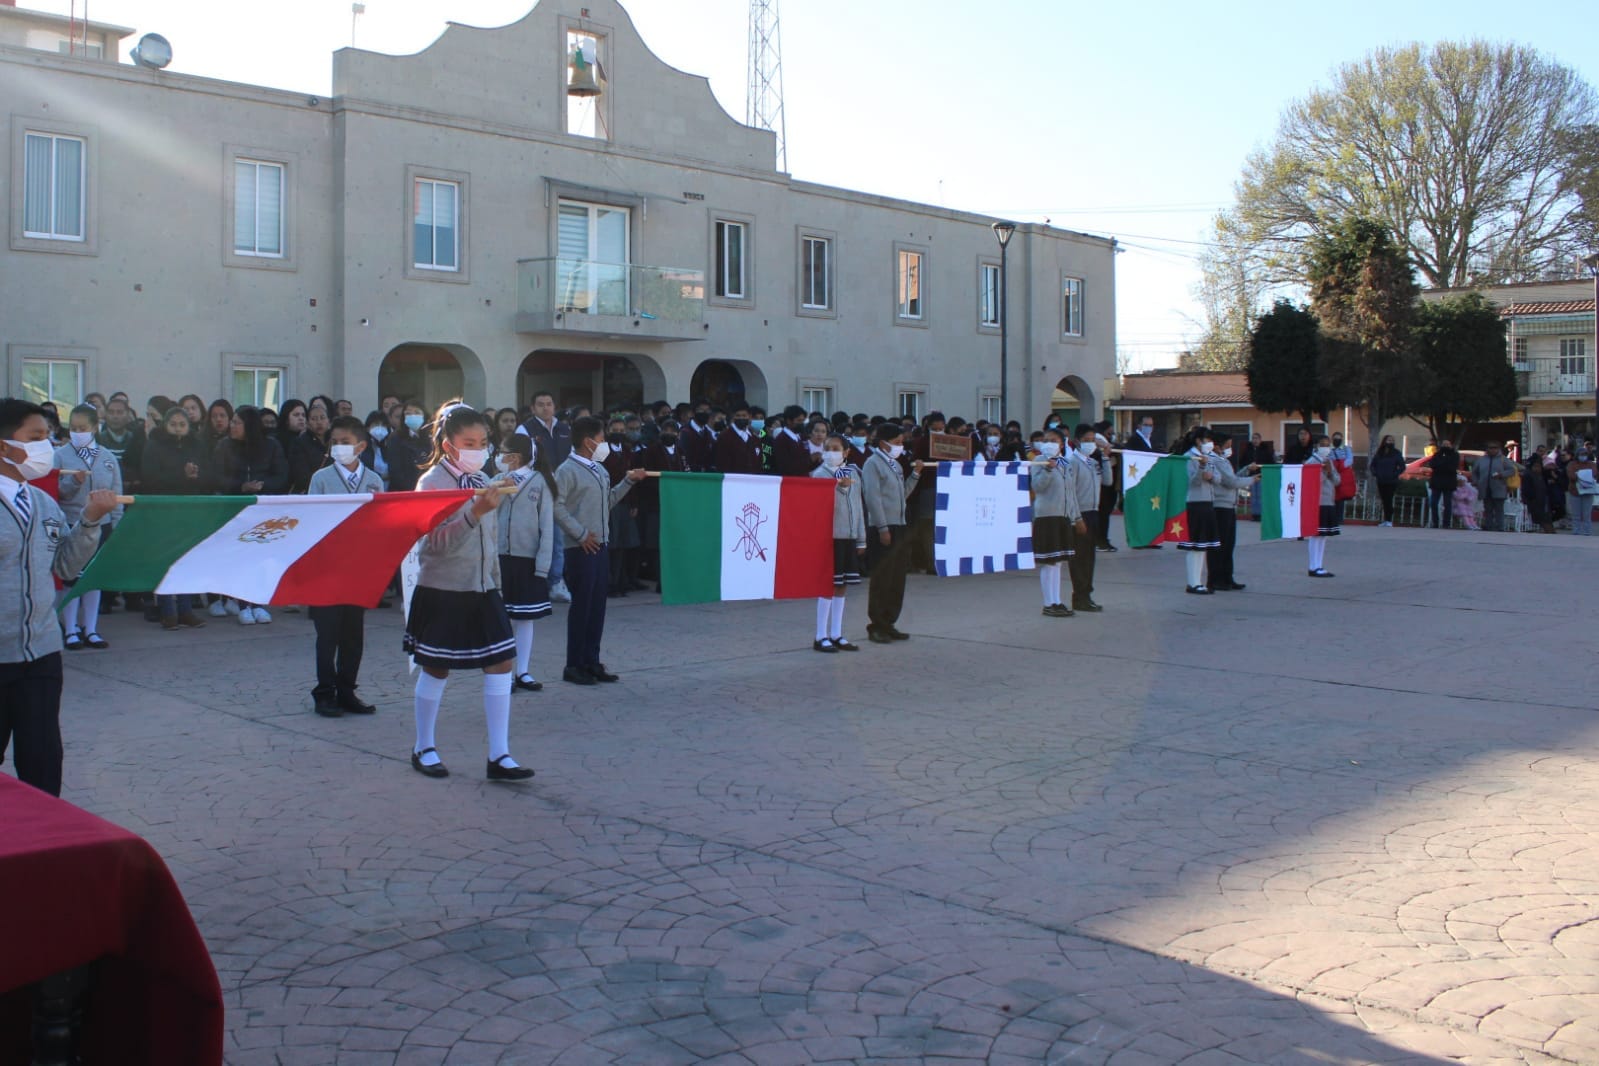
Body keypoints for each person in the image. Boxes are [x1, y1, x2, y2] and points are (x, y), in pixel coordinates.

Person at [405, 401, 532, 782]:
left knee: (501, 663)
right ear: (449, 445)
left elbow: (489, 543)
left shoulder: (483, 481)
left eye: (483, 442)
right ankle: (423, 746)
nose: (477, 449)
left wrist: (494, 581)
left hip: (483, 587)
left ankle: (500, 754)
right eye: (468, 442)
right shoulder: (431, 484)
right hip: (443, 588)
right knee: (437, 666)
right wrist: (473, 513)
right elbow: (434, 544)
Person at [1, 399, 117, 796]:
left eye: (48, 438)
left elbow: (66, 567)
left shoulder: (43, 503)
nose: (45, 448)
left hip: (41, 655)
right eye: (34, 438)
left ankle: (46, 847)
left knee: (42, 763)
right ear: (3, 446)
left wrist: (89, 521)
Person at [553, 415, 646, 685]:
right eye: (602, 439)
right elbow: (556, 505)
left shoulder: (599, 470)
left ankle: (591, 661)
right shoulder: (566, 470)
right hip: (580, 547)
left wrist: (628, 482)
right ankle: (574, 664)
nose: (605, 443)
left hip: (601, 545)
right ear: (588, 441)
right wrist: (580, 533)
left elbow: (608, 501)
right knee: (582, 607)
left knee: (597, 607)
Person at [306, 417, 382, 717]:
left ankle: (347, 688)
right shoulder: (321, 478)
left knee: (353, 632)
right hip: (328, 567)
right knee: (328, 634)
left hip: (359, 569)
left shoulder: (374, 479)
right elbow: (311, 520)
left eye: (345, 442)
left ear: (361, 446)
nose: (339, 447)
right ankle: (324, 692)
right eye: (334, 442)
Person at [54, 404, 123, 650]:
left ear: (95, 427)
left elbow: (117, 495)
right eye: (73, 428)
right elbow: (56, 492)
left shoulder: (107, 457)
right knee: (71, 577)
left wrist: (116, 525)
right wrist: (73, 482)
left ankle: (91, 628)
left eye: (82, 428)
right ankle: (70, 628)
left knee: (93, 579)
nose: (77, 432)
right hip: (72, 522)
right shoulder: (61, 455)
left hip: (101, 526)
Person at [141, 405, 213, 629]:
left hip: (189, 509)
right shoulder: (154, 445)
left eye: (182, 425)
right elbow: (150, 478)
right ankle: (167, 610)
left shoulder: (197, 446)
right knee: (167, 560)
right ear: (166, 425)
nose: (178, 429)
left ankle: (186, 610)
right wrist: (180, 475)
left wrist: (195, 476)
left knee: (187, 560)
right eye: (173, 425)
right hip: (165, 509)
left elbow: (209, 475)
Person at [495, 434, 555, 692]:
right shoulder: (496, 480)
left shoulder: (539, 481)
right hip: (500, 558)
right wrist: (498, 487)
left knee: (525, 617)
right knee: (503, 617)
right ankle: (505, 673)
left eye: (503, 451)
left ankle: (523, 671)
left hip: (527, 559)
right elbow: (483, 509)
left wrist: (543, 564)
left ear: (515, 456)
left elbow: (547, 526)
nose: (498, 456)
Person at [862, 423, 919, 643]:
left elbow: (902, 494)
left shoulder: (895, 465)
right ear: (884, 443)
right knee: (882, 578)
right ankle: (876, 624)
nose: (900, 446)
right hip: (883, 526)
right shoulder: (872, 464)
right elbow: (873, 499)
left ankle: (890, 621)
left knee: (897, 578)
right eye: (896, 442)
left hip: (900, 524)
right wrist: (882, 527)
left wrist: (915, 475)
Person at [810, 434, 865, 650]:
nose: (831, 452)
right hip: (829, 537)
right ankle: (820, 634)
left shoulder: (852, 473)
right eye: (827, 448)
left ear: (846, 452)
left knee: (842, 586)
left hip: (848, 536)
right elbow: (818, 507)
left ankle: (836, 633)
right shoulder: (819, 475)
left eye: (836, 448)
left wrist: (861, 538)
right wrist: (838, 486)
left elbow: (858, 507)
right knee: (828, 584)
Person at [517, 392, 573, 601]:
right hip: (537, 491)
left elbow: (572, 456)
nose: (546, 408)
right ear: (533, 408)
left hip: (563, 491)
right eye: (540, 405)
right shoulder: (525, 430)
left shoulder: (564, 429)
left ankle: (557, 581)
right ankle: (540, 582)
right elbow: (520, 460)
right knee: (540, 538)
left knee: (559, 539)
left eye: (549, 404)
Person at [1028, 428, 1080, 617]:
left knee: (1058, 562)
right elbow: (1038, 486)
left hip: (1062, 515)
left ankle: (1057, 600)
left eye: (1054, 440)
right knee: (1048, 561)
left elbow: (1070, 491)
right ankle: (1048, 602)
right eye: (1046, 440)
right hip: (1046, 515)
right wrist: (1048, 469)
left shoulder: (1066, 463)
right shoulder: (1038, 461)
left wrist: (1074, 516)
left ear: (1061, 443)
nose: (1049, 443)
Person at [1205, 430, 1257, 591]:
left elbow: (1233, 477)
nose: (1229, 448)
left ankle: (1227, 577)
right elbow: (1231, 482)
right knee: (1220, 546)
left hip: (1229, 505)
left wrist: (1247, 470)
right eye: (1227, 445)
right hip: (1220, 506)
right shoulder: (1216, 461)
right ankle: (1216, 579)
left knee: (1229, 545)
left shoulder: (1223, 460)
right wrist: (1252, 480)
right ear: (1218, 445)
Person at [1176, 427, 1221, 594]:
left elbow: (1218, 478)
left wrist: (1211, 476)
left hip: (1207, 502)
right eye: (1207, 440)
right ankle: (1193, 582)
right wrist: (1202, 469)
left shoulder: (1207, 457)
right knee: (1194, 545)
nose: (1210, 443)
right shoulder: (1189, 457)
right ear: (1198, 441)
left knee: (1202, 546)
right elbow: (1192, 482)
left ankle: (1199, 582)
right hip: (1194, 503)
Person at [1066, 425, 1104, 611]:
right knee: (1080, 558)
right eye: (1087, 440)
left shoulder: (1093, 462)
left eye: (1093, 440)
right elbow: (1070, 492)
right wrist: (1076, 518)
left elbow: (1108, 481)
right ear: (1078, 441)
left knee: (1089, 557)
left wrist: (1104, 455)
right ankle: (1079, 595)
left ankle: (1087, 593)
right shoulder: (1073, 462)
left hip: (1093, 512)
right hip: (1080, 514)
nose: (1091, 444)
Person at [96, 395, 144, 491]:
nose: (115, 416)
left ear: (128, 415)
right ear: (105, 415)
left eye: (120, 412)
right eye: (111, 412)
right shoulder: (98, 441)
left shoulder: (135, 440)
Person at [1308, 436, 1340, 576]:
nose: (1325, 448)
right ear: (1316, 446)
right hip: (1317, 502)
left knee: (1324, 535)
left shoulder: (1328, 462)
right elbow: (1311, 482)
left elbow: (1337, 480)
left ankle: (1319, 565)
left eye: (1328, 445)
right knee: (1315, 535)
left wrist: (1330, 471)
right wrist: (1324, 472)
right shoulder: (1311, 462)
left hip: (1328, 501)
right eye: (1322, 444)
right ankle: (1313, 566)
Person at [384, 402, 430, 494]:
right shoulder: (395, 438)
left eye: (417, 412)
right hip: (403, 493)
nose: (413, 416)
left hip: (427, 491)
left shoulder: (431, 438)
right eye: (408, 413)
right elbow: (395, 471)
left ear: (424, 415)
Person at [1471, 441, 1515, 532]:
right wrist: (1476, 481)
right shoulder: (1481, 460)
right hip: (1485, 488)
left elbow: (1512, 470)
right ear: (1487, 449)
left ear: (1498, 449)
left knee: (1499, 509)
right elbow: (1474, 472)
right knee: (1488, 509)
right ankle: (1488, 526)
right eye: (1490, 447)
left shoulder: (1503, 459)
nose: (1493, 450)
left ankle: (1500, 527)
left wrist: (1501, 474)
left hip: (1499, 487)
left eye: (1495, 448)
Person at [289, 402, 331, 493]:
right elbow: (301, 475)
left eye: (322, 418)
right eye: (314, 419)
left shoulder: (335, 441)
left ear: (328, 421)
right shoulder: (300, 443)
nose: (319, 422)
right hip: (311, 490)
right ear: (307, 423)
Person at [713, 403, 764, 475]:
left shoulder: (755, 439)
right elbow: (722, 465)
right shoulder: (724, 437)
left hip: (753, 482)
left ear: (749, 416)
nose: (741, 418)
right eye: (738, 416)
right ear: (733, 417)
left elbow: (759, 464)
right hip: (733, 482)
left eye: (744, 415)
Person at [1368, 436, 1406, 527]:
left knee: (1388, 499)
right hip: (1381, 480)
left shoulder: (1396, 453)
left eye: (1392, 441)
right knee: (1384, 500)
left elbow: (1402, 466)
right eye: (1389, 440)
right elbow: (1373, 465)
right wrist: (1376, 473)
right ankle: (1385, 520)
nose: (1390, 442)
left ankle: (1389, 520)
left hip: (1391, 481)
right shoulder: (1379, 453)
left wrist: (1394, 474)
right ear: (1384, 441)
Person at [1092, 421, 1118, 551]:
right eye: (1109, 433)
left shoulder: (1109, 444)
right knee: (1102, 515)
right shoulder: (1097, 441)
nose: (1111, 436)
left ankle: (1103, 539)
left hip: (1110, 484)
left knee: (1105, 515)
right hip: (1101, 486)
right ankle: (1100, 541)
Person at [769, 405, 812, 476]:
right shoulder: (781, 440)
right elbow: (786, 466)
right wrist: (811, 460)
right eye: (799, 421)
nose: (801, 424)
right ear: (789, 421)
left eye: (803, 421)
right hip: (790, 481)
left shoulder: (802, 437)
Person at [1425, 440, 1459, 529]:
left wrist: (1441, 464)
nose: (1445, 446)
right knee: (1434, 503)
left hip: (1449, 482)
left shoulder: (1455, 455)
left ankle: (1446, 524)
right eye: (1444, 444)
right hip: (1436, 482)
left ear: (1451, 445)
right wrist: (1443, 463)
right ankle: (1435, 522)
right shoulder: (1437, 455)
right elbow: (1432, 464)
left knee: (1447, 504)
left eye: (1447, 444)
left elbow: (1452, 467)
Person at [1567, 444, 1596, 536]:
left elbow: (1594, 474)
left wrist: (1579, 475)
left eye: (1585, 454)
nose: (1583, 456)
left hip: (1588, 492)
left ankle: (1587, 532)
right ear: (1577, 455)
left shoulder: (1591, 464)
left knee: (1586, 514)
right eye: (1581, 454)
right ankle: (1576, 531)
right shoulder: (1572, 464)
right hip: (1575, 492)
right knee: (1576, 514)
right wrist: (1584, 475)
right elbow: (1571, 475)